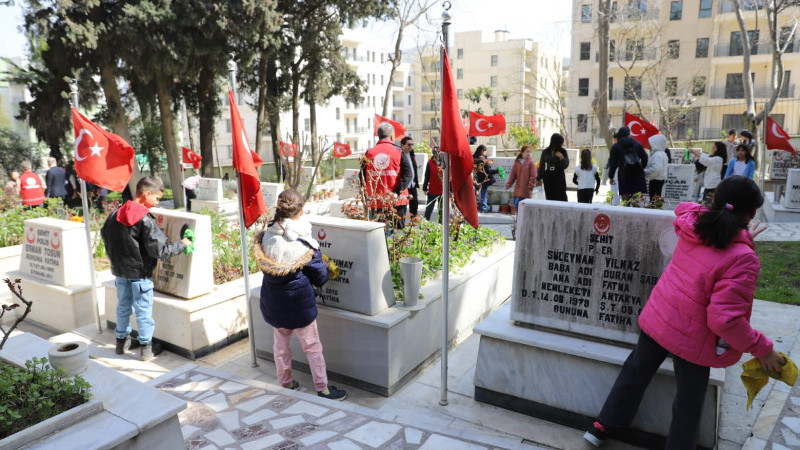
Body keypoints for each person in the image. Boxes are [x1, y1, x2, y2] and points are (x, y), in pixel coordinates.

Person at [584, 176, 784, 449]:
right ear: (750, 214)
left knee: (635, 371)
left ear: (715, 200)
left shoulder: (694, 226)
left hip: (659, 317)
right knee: (689, 403)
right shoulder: (743, 257)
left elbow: (705, 220)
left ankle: (602, 425)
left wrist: (743, 237)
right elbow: (724, 319)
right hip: (692, 337)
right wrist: (763, 349)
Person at [253, 189, 347, 401]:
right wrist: (323, 264)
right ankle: (323, 388)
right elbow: (320, 277)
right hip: (299, 307)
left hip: (274, 303)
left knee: (280, 346)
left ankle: (286, 382)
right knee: (312, 347)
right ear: (301, 211)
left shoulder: (267, 236)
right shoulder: (305, 244)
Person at [101, 176, 191, 361]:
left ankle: (121, 343)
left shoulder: (114, 214)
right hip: (140, 275)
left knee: (123, 306)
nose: (157, 204)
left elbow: (105, 236)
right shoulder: (145, 220)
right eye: (157, 199)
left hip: (120, 272)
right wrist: (183, 243)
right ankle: (146, 348)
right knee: (143, 312)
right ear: (146, 194)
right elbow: (161, 250)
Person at [362, 123, 412, 229]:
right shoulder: (399, 151)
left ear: (378, 135)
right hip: (397, 201)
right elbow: (408, 174)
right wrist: (397, 191)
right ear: (392, 136)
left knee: (378, 232)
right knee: (397, 234)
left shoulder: (369, 153)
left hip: (376, 202)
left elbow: (362, 176)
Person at [607, 127, 648, 204]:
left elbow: (613, 163)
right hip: (637, 173)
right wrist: (642, 167)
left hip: (624, 173)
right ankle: (635, 212)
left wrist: (611, 177)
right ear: (629, 134)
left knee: (625, 197)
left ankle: (626, 211)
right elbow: (645, 157)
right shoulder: (637, 143)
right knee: (636, 199)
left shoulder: (616, 146)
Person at [537, 133, 569, 201]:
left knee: (561, 198)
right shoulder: (545, 152)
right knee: (550, 198)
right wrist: (538, 178)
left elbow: (565, 165)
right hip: (548, 176)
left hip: (559, 176)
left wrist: (561, 157)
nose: (561, 145)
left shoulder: (563, 151)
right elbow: (542, 165)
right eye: (560, 143)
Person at [507, 146, 538, 210]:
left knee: (519, 205)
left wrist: (530, 186)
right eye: (527, 151)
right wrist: (509, 184)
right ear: (522, 152)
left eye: (530, 152)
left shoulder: (531, 163)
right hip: (517, 189)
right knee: (516, 204)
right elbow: (513, 175)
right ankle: (519, 219)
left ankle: (520, 219)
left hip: (526, 190)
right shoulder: (517, 162)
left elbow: (533, 176)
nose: (528, 153)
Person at [473, 145, 500, 213]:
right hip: (483, 180)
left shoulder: (473, 158)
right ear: (482, 151)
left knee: (474, 195)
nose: (485, 153)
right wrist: (497, 171)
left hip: (475, 179)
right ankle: (483, 209)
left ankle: (472, 209)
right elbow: (488, 171)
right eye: (485, 151)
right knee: (483, 196)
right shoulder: (483, 159)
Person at [643, 134, 669, 201]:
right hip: (659, 179)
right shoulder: (661, 154)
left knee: (654, 199)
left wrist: (645, 172)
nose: (649, 145)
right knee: (656, 198)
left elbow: (657, 169)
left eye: (650, 143)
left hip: (656, 179)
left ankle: (655, 210)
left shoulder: (657, 155)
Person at [422, 148, 444, 222]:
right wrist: (425, 187)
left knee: (441, 211)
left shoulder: (444, 163)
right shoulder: (430, 163)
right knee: (428, 209)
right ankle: (425, 224)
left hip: (443, 191)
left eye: (438, 154)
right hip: (432, 190)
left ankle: (441, 226)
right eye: (435, 154)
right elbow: (427, 176)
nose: (437, 155)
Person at [400, 136, 420, 217]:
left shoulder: (412, 155)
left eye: (412, 144)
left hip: (413, 185)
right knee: (402, 206)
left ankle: (413, 223)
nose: (411, 146)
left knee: (414, 205)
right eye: (409, 144)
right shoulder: (400, 155)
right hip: (405, 186)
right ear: (402, 145)